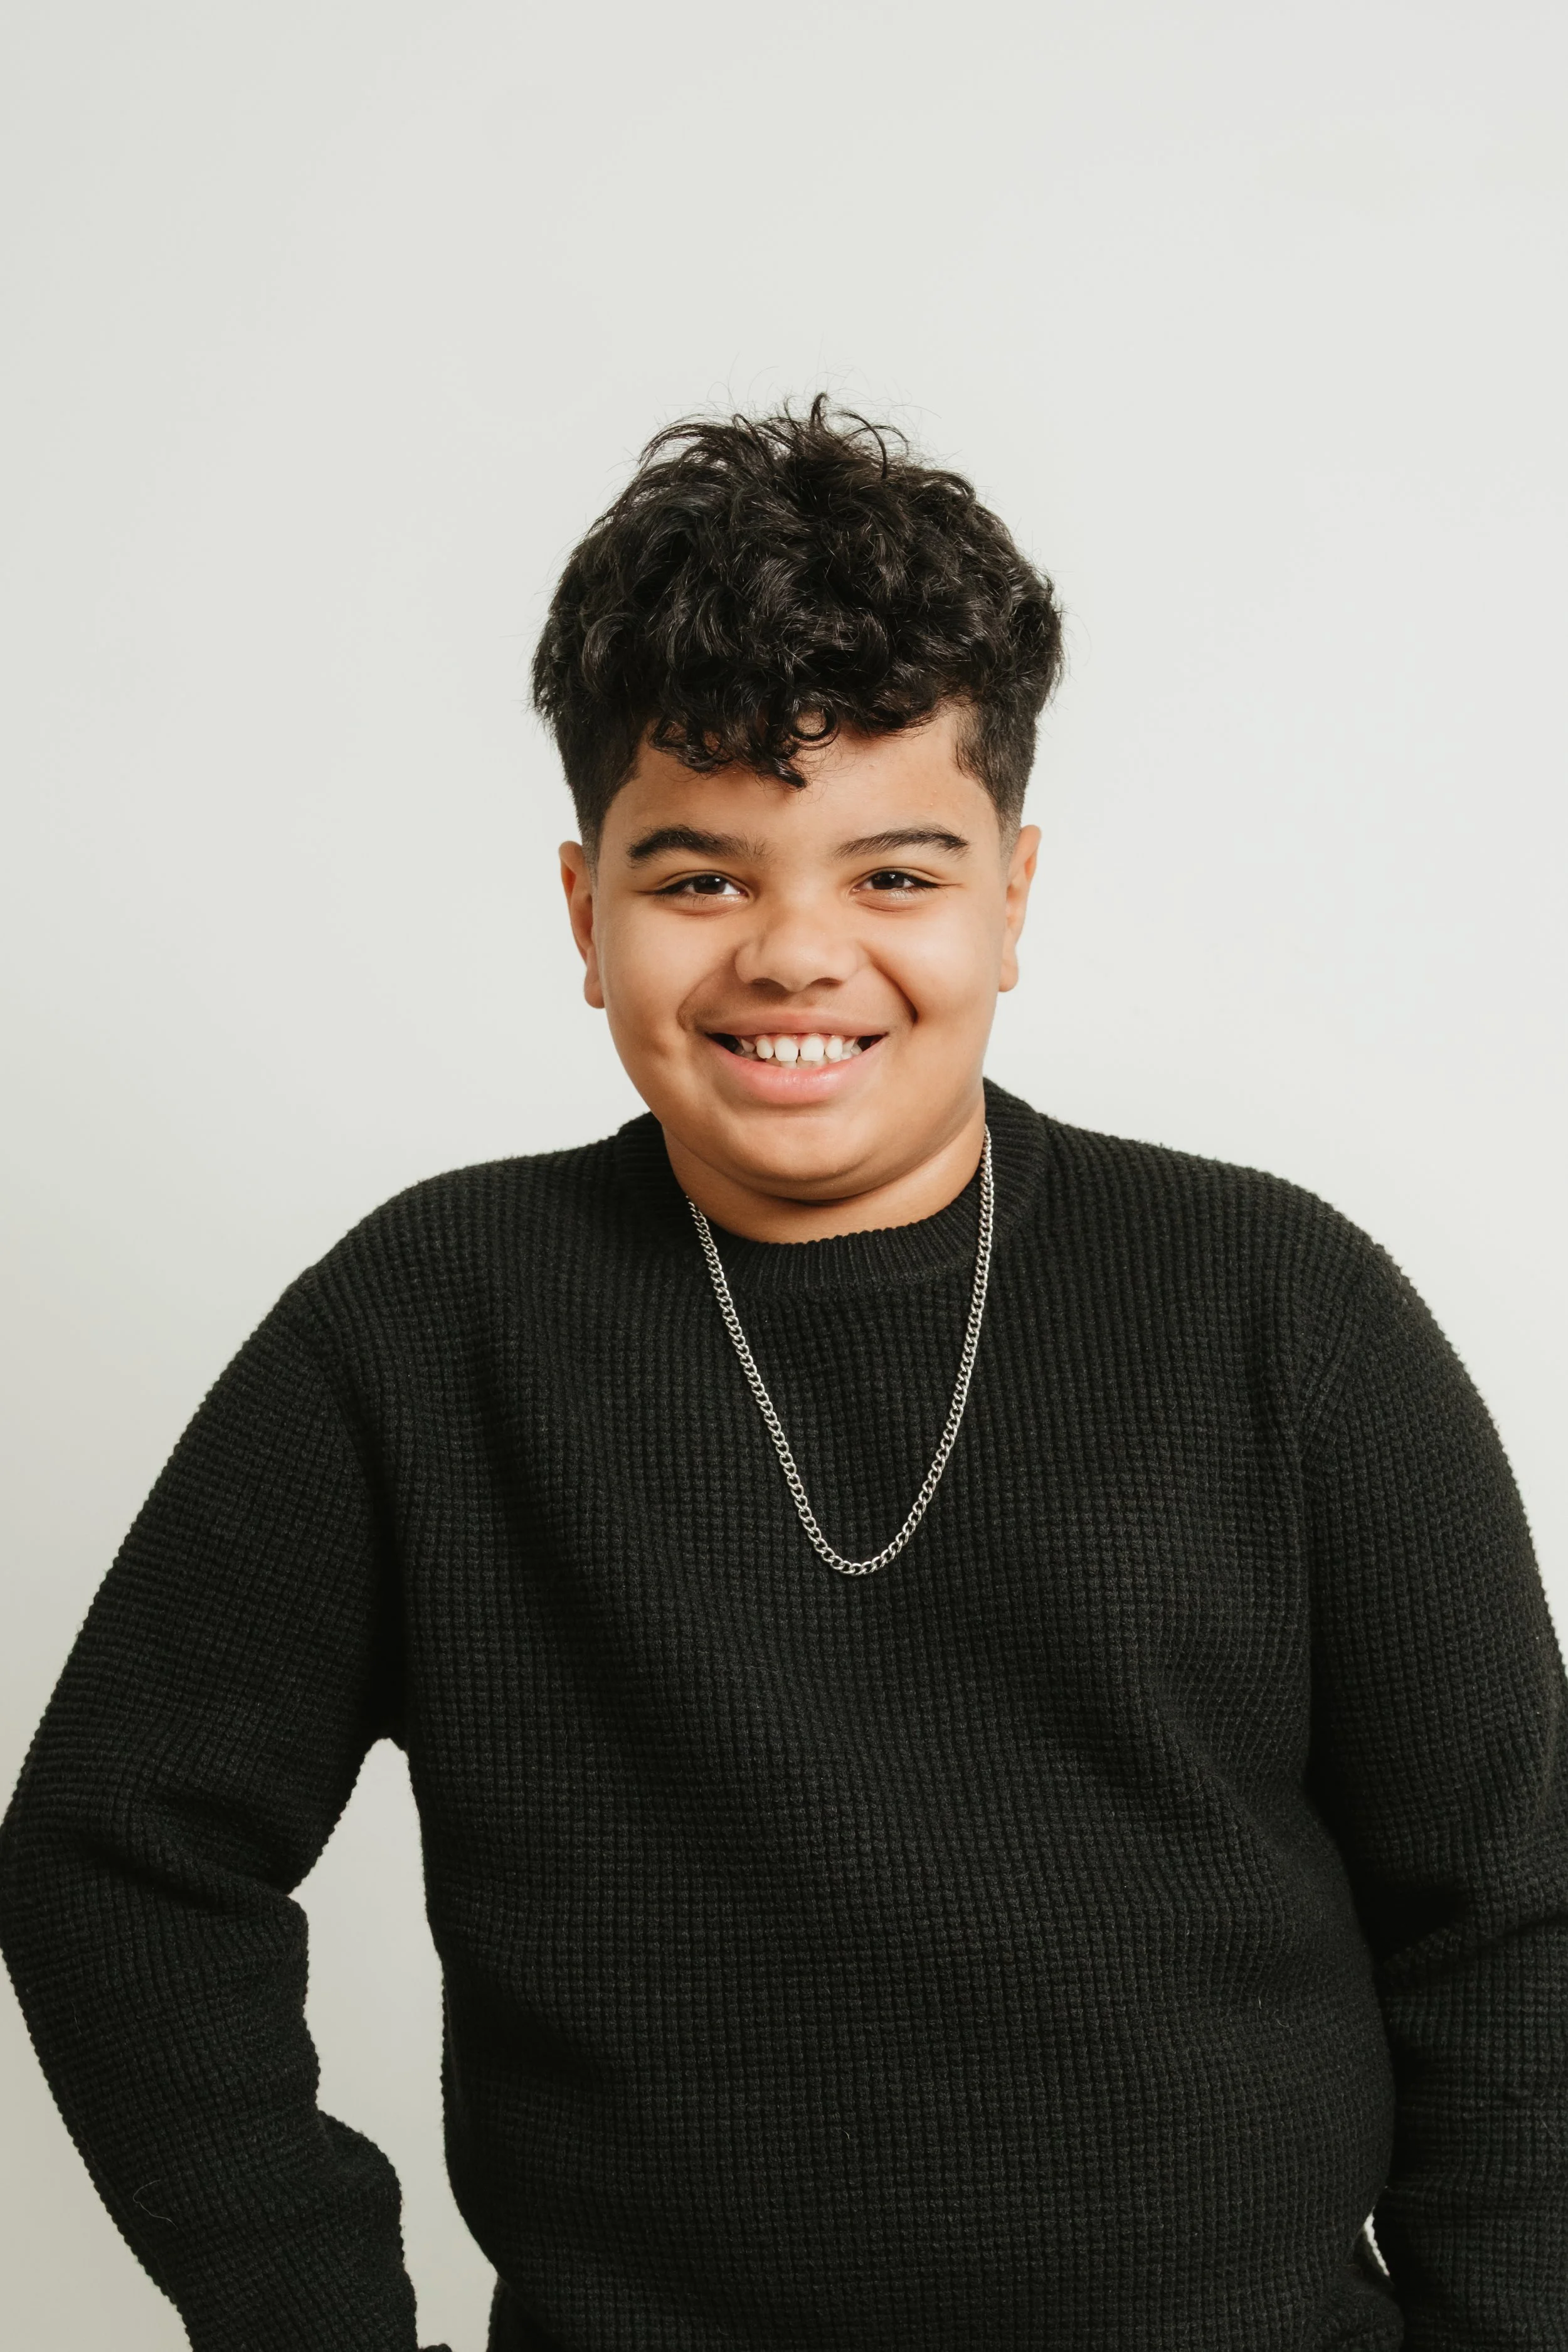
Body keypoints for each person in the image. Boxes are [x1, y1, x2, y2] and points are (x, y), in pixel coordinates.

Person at [1, 399, 1564, 2352]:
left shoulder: (1278, 1308)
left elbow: (1512, 1915)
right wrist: (306, 2309)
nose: (797, 954)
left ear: (1013, 893)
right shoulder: (425, 1327)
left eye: (894, 876)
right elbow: (119, 1854)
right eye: (702, 878)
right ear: (587, 913)